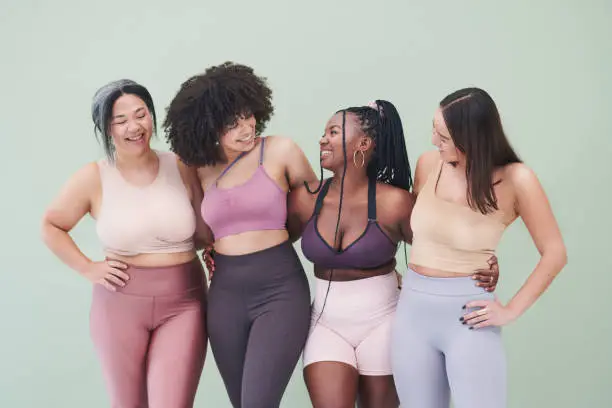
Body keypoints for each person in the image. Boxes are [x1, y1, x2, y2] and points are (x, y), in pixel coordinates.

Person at [287, 100, 500, 408]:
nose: (323, 139)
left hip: (385, 323)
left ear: (364, 143)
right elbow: (270, 241)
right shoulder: (305, 200)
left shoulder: (395, 203)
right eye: (324, 133)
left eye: (333, 132)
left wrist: (486, 262)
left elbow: (440, 248)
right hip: (324, 322)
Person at [391, 87, 568, 408]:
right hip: (411, 314)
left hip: (468, 317)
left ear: (472, 138)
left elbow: (555, 253)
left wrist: (511, 309)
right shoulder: (429, 164)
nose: (434, 141)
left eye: (443, 137)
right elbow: (426, 234)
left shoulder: (517, 179)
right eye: (434, 129)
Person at [40, 79, 211, 408]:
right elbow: (51, 225)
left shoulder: (181, 165)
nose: (134, 127)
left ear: (152, 117)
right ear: (106, 128)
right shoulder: (94, 176)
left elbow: (206, 234)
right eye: (121, 121)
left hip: (184, 303)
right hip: (118, 305)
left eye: (141, 114)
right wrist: (88, 267)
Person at [163, 62, 318, 408]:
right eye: (231, 124)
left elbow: (312, 213)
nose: (246, 128)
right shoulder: (195, 167)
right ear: (206, 128)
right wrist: (207, 249)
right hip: (225, 296)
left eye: (247, 116)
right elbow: (205, 232)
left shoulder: (280, 150)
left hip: (279, 288)